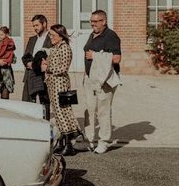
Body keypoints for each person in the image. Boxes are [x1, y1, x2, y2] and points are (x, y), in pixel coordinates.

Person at [77, 9, 122, 154]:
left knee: (103, 111)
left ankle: (103, 141)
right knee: (89, 110)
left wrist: (95, 56)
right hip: (91, 79)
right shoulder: (93, 34)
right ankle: (89, 140)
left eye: (95, 21)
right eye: (91, 21)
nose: (92, 24)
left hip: (105, 80)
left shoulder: (111, 36)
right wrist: (85, 76)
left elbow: (116, 58)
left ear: (104, 21)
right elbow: (87, 56)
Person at [40, 24, 80, 156]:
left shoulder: (65, 48)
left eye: (53, 35)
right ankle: (62, 142)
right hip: (52, 84)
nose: (50, 37)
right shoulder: (55, 48)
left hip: (60, 84)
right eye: (50, 35)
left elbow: (63, 68)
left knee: (63, 112)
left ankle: (69, 144)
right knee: (57, 113)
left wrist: (48, 69)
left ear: (60, 35)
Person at [21, 15, 53, 119]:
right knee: (27, 100)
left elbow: (51, 57)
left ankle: (45, 123)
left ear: (44, 24)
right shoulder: (32, 39)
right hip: (30, 73)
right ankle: (29, 122)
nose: (35, 28)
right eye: (33, 26)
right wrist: (28, 63)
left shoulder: (51, 38)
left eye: (37, 25)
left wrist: (38, 65)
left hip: (43, 74)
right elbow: (25, 56)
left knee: (45, 101)